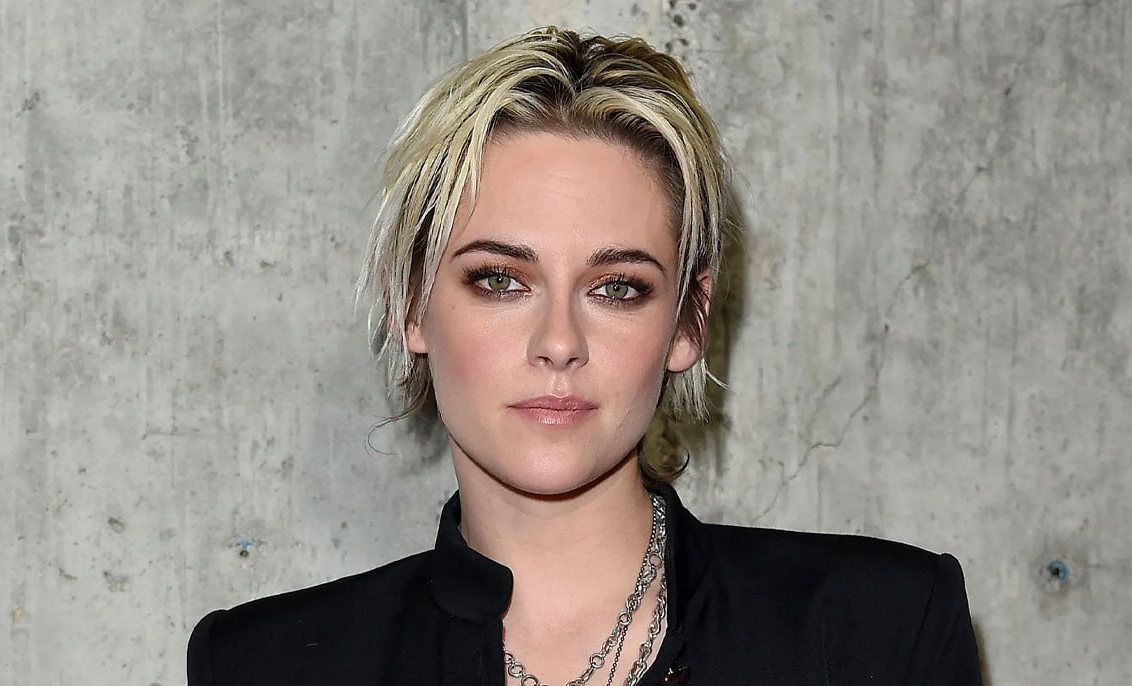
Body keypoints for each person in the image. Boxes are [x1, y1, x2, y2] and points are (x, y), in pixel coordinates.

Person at [188, 26, 982, 685]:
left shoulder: (883, 632)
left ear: (688, 321)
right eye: (500, 279)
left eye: (617, 287)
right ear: (410, 303)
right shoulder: (264, 666)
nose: (559, 343)